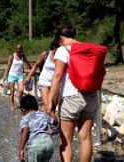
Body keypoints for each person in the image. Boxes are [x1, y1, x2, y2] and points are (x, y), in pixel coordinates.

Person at [47, 25, 98, 162]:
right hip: (91, 96)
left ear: (61, 38)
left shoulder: (63, 50)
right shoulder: (89, 48)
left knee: (66, 140)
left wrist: (50, 100)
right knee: (86, 137)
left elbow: (57, 76)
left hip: (71, 98)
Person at [19, 95, 58, 162]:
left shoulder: (25, 119)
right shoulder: (43, 115)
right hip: (48, 144)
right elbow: (55, 122)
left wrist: (21, 149)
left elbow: (25, 132)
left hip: (35, 146)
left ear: (23, 109)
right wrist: (51, 112)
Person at [25, 39, 60, 113]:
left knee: (53, 106)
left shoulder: (61, 57)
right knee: (48, 106)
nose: (60, 50)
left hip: (56, 83)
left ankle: (47, 122)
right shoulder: (45, 54)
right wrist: (28, 77)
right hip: (44, 81)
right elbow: (36, 66)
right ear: (53, 47)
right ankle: (55, 122)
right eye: (58, 48)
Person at [3, 44, 32, 110]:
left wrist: (33, 68)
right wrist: (5, 75)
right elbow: (8, 66)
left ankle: (19, 101)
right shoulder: (11, 57)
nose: (20, 52)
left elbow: (28, 63)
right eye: (18, 51)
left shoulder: (23, 56)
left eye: (21, 51)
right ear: (16, 50)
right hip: (12, 75)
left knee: (21, 90)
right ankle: (12, 105)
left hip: (20, 75)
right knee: (12, 91)